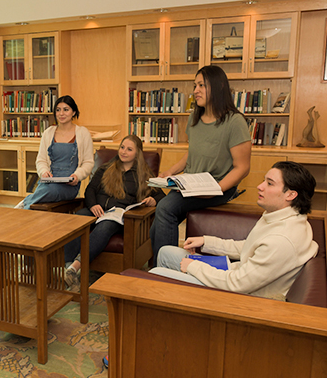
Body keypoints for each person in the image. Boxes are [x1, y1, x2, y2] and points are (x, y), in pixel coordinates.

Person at [150, 161, 318, 301]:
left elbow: (237, 285)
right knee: (166, 252)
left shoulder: (282, 240)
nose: (259, 187)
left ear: (290, 195)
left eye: (269, 183)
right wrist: (207, 242)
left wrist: (194, 267)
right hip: (236, 276)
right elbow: (250, 247)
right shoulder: (281, 217)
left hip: (240, 296)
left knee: (155, 274)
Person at [149, 65, 252, 261]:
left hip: (218, 186)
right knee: (158, 221)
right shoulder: (194, 117)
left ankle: (165, 269)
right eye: (195, 85)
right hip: (192, 184)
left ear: (219, 86)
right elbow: (192, 154)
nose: (195, 90)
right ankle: (159, 265)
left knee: (164, 209)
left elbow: (242, 167)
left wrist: (216, 188)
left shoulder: (234, 121)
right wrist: (168, 173)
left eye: (201, 85)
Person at [63, 135, 165, 290]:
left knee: (105, 225)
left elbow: (161, 195)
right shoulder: (106, 168)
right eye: (122, 147)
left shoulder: (144, 174)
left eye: (129, 149)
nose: (123, 152)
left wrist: (153, 200)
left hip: (118, 215)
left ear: (137, 153)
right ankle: (65, 265)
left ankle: (73, 269)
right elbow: (90, 189)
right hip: (96, 209)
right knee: (77, 219)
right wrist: (93, 205)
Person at [16, 95, 94, 209]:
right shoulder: (48, 133)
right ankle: (27, 207)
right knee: (46, 191)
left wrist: (77, 176)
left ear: (74, 112)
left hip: (70, 185)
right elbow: (41, 160)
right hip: (48, 182)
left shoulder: (83, 133)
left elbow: (88, 162)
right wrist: (43, 172)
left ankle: (25, 204)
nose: (61, 113)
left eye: (66, 109)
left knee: (49, 191)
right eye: (58, 110)